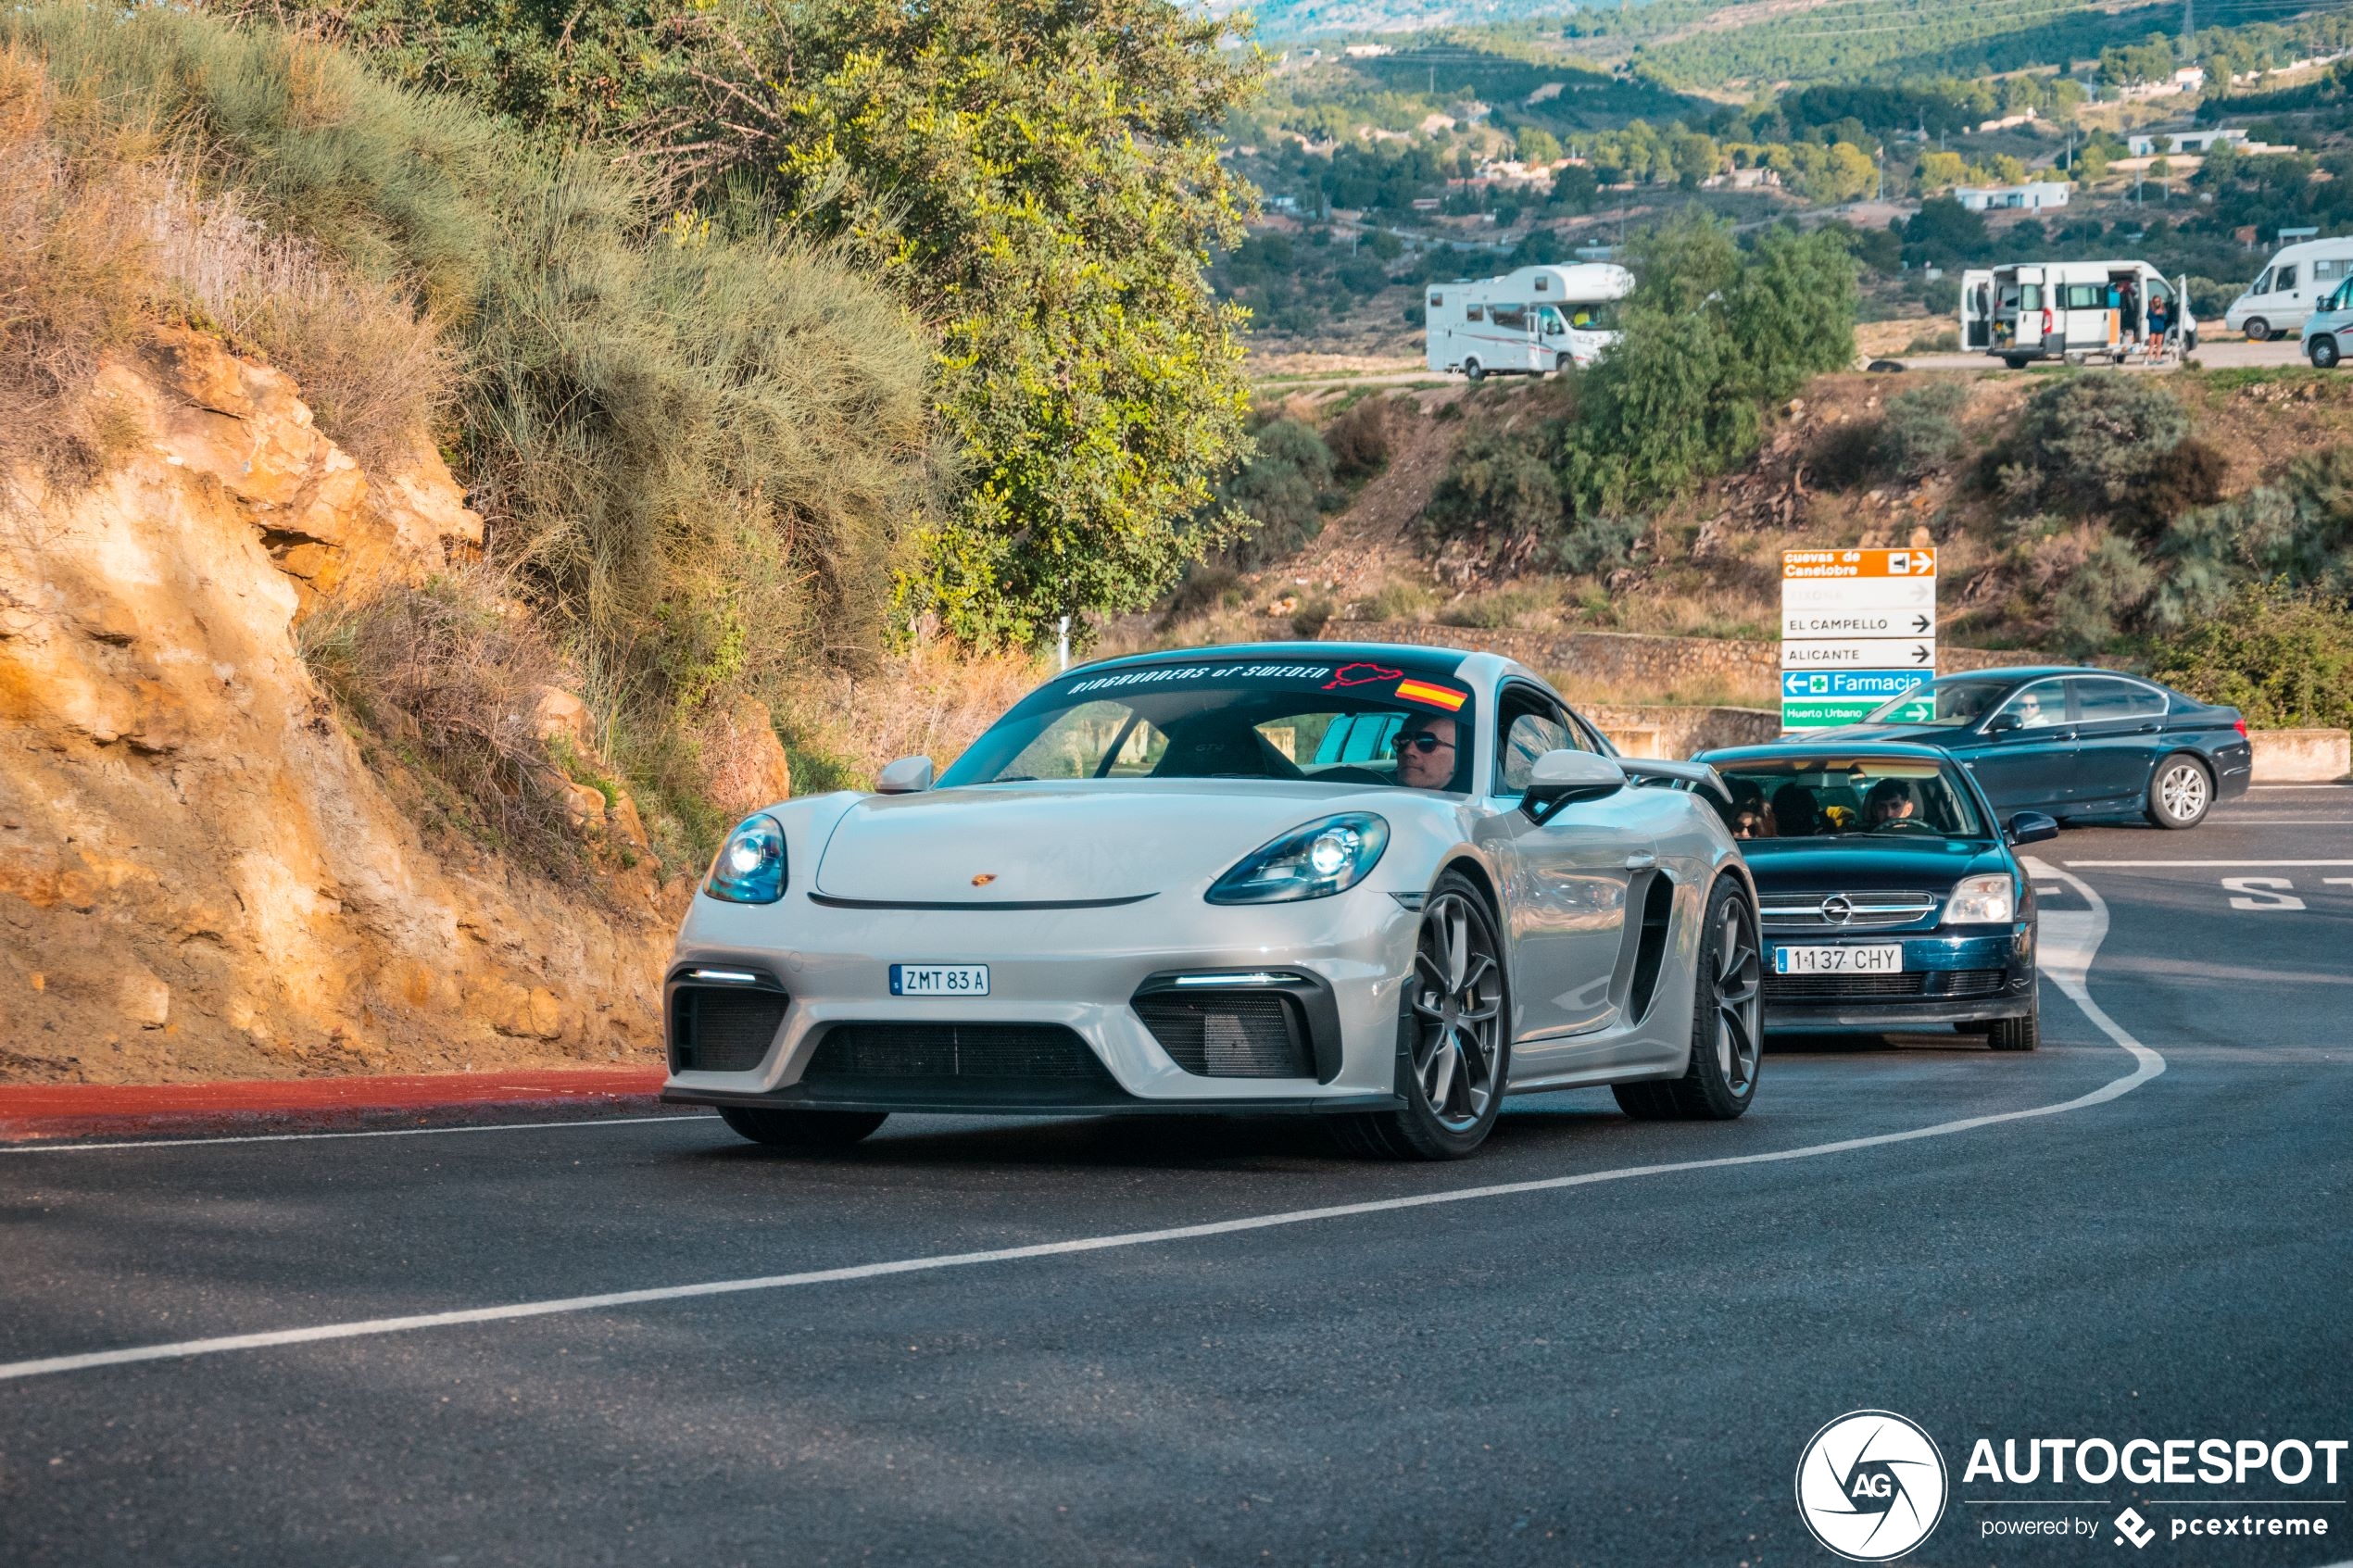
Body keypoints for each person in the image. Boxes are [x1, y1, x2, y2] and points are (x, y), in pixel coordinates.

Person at [1393, 713, 1459, 790]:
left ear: (1458, 758)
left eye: (1426, 743)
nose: (1408, 751)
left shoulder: (1470, 800)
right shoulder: (1382, 786)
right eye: (1402, 742)